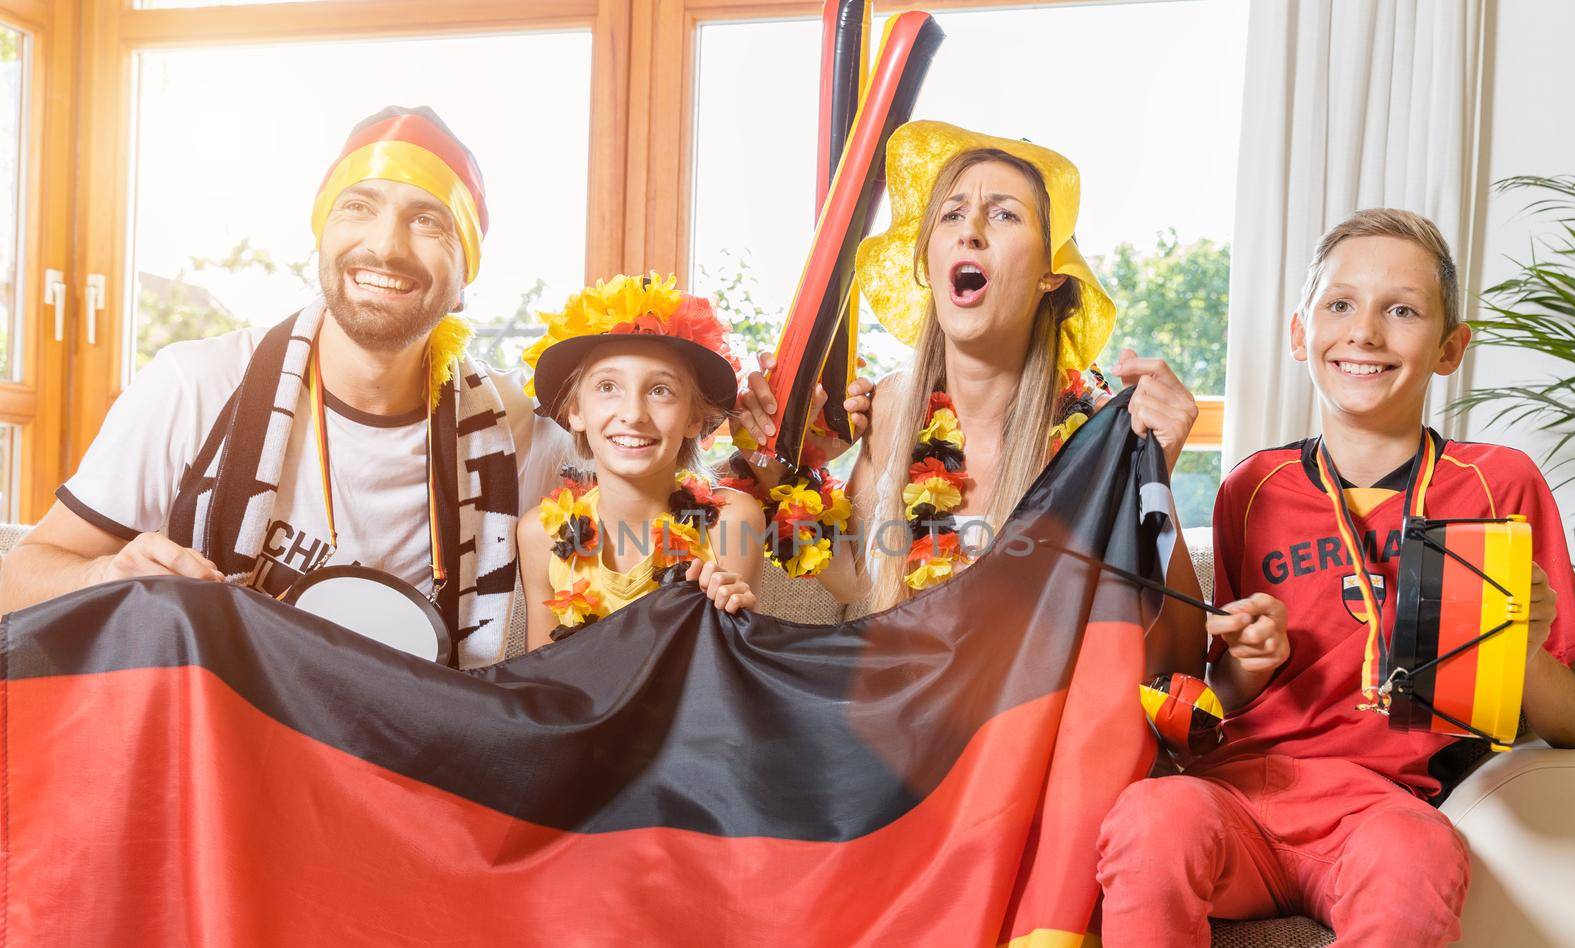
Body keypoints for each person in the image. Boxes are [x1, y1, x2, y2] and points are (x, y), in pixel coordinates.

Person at [1095, 208, 1575, 948]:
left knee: (1419, 861)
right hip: (1241, 798)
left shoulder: (1497, 482)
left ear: (1450, 346)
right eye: (1339, 305)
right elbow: (1215, 696)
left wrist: (1517, 646)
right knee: (1149, 817)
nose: (1364, 331)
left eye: (1402, 309)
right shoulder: (1253, 487)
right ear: (1299, 332)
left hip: (1383, 808)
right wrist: (1243, 669)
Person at [0, 106, 567, 667]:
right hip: (214, 732)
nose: (386, 245)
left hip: (404, 745)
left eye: (428, 220)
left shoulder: (512, 427)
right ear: (321, 239)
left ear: (464, 277)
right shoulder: (196, 386)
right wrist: (109, 575)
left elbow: (629, 531)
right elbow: (13, 581)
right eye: (358, 206)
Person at [735, 121, 1205, 673]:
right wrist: (778, 465)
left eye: (1004, 214)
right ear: (930, 264)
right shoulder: (892, 407)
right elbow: (854, 577)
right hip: (907, 715)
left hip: (1031, 726)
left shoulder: (1097, 428)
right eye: (951, 214)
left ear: (1051, 274)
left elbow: (1180, 657)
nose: (971, 230)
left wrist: (1155, 473)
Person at [516, 273, 764, 650]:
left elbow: (726, 680)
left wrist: (736, 622)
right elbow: (535, 677)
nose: (633, 414)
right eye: (607, 387)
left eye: (660, 390)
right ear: (575, 412)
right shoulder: (541, 533)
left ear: (693, 419)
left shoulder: (729, 522)